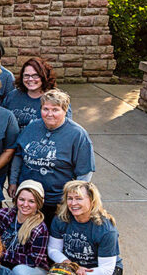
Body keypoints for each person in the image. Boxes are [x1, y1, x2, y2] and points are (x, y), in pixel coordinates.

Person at [11, 90, 95, 218]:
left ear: (65, 110)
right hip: (28, 199)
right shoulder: (32, 127)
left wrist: (74, 200)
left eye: (55, 110)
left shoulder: (77, 134)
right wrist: (13, 182)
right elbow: (18, 156)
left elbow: (84, 172)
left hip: (56, 201)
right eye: (45, 109)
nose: (49, 114)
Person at [0, 180, 50, 275]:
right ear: (16, 199)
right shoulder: (3, 214)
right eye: (22, 199)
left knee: (18, 271)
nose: (25, 205)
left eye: (31, 201)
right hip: (4, 260)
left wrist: (2, 254)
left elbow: (33, 260)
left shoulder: (39, 228)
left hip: (33, 268)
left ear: (38, 204)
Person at [3, 57, 64, 130]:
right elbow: (2, 119)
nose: (30, 79)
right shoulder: (13, 96)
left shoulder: (57, 99)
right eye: (26, 75)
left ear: (44, 76)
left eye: (35, 75)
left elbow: (64, 128)